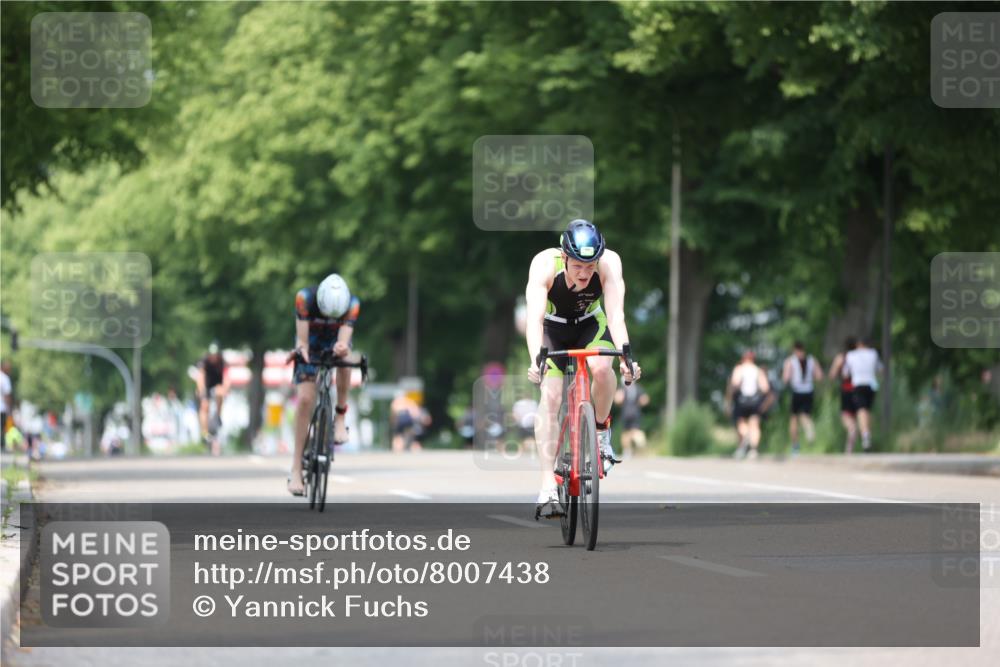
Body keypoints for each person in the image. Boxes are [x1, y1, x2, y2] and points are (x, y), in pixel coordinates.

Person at [525, 219, 641, 519]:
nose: (585, 273)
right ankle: (548, 485)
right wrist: (535, 360)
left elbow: (616, 316)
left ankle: (601, 432)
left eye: (591, 266)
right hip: (553, 328)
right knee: (551, 397)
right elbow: (535, 320)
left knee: (603, 369)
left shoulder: (610, 263)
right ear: (564, 257)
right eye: (578, 266)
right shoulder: (544, 265)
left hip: (591, 323)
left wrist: (626, 358)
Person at [287, 273, 360, 495]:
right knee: (306, 399)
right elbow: (301, 341)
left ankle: (339, 418)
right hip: (311, 340)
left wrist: (342, 348)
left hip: (334, 340)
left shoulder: (353, 304)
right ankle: (296, 468)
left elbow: (344, 340)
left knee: (346, 362)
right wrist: (303, 353)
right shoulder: (304, 299)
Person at [782, 341, 824, 454]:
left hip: (796, 391)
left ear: (794, 350)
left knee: (794, 418)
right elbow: (820, 376)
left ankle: (795, 445)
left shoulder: (790, 361)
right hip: (809, 390)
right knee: (805, 415)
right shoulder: (812, 360)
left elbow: (785, 378)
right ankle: (809, 428)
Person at [726, 350, 769, 460]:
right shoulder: (758, 370)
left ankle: (746, 436)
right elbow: (765, 388)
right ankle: (754, 450)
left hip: (742, 401)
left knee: (741, 423)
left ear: (743, 358)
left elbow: (735, 384)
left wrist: (729, 400)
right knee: (755, 425)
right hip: (755, 401)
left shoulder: (739, 369)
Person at [844, 337, 883, 451]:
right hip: (871, 385)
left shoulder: (851, 355)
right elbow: (880, 369)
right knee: (867, 410)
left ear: (859, 344)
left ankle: (865, 436)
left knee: (861, 410)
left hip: (858, 384)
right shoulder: (873, 353)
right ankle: (867, 433)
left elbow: (846, 373)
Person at [196, 341, 230, 454]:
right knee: (204, 405)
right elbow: (200, 377)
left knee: (220, 393)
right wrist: (201, 391)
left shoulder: (222, 362)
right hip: (207, 385)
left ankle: (218, 416)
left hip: (217, 384)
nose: (214, 358)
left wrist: (225, 389)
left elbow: (227, 378)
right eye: (212, 355)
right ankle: (204, 431)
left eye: (216, 355)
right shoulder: (204, 362)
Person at [828, 337, 858, 453]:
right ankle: (850, 447)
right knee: (856, 417)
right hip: (858, 389)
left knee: (846, 416)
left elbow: (832, 375)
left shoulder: (842, 357)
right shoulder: (859, 357)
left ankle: (851, 431)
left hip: (846, 389)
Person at [614, 380, 649, 458]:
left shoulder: (624, 389)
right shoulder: (637, 388)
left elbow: (617, 400)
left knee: (628, 433)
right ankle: (632, 449)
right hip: (632, 413)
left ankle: (629, 450)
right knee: (630, 432)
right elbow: (645, 399)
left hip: (629, 413)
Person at [1, 360, 12, 452]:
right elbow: (7, 395)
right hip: (2, 408)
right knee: (2, 428)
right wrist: (9, 409)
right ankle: (2, 446)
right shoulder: (5, 379)